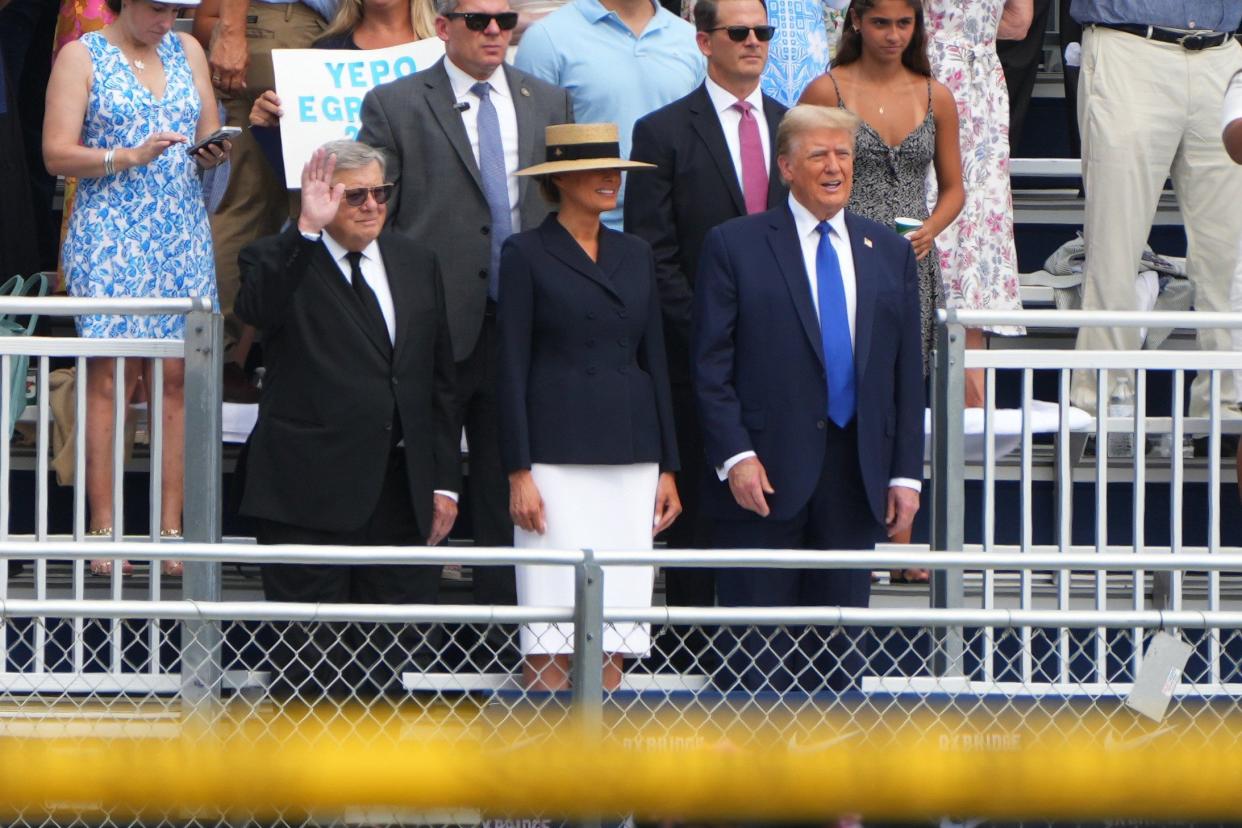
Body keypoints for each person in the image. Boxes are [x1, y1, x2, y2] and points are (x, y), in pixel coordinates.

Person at [357, 0, 573, 643]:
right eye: (477, 21)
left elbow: (562, 209)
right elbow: (376, 217)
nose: (493, 33)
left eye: (505, 21)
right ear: (443, 26)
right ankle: (408, 645)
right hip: (433, 319)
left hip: (525, 320)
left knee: (515, 477)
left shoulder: (548, 100)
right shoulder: (394, 102)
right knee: (424, 475)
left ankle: (512, 639)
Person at [693, 104, 923, 693]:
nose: (833, 167)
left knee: (839, 664)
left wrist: (906, 476)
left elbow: (905, 374)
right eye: (819, 154)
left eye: (843, 154)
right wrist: (736, 457)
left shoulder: (888, 250)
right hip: (762, 481)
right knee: (754, 663)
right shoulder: (734, 244)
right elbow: (711, 366)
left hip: (855, 478)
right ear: (787, 166)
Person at [235, 140, 459, 700]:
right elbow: (257, 312)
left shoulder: (415, 261)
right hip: (306, 494)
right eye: (352, 194)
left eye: (379, 193)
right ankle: (306, 783)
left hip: (400, 494)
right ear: (321, 196)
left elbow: (437, 382)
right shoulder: (279, 257)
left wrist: (443, 482)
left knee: (389, 659)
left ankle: (375, 779)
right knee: (308, 664)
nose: (370, 205)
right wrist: (307, 229)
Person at [43, 0, 230, 577]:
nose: (166, 20)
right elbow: (55, 154)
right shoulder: (83, 55)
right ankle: (103, 531)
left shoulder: (188, 48)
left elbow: (206, 135)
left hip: (179, 226)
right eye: (157, 8)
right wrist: (126, 155)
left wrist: (215, 150)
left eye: (177, 9)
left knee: (177, 376)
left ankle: (170, 530)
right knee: (112, 376)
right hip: (111, 229)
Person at [624, 0, 786, 663]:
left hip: (781, 364)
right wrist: (713, 332)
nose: (753, 43)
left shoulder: (791, 127)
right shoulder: (662, 131)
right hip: (695, 359)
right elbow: (651, 251)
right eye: (738, 32)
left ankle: (768, 661)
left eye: (763, 32)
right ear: (702, 40)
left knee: (773, 508)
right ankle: (689, 665)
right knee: (695, 523)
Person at [498, 123, 681, 692]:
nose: (611, 181)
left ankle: (602, 772)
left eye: (616, 171)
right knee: (549, 631)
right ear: (560, 181)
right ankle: (547, 773)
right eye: (597, 171)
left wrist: (668, 466)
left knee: (616, 629)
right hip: (554, 459)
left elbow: (656, 360)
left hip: (630, 456)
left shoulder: (635, 252)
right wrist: (519, 470)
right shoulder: (525, 252)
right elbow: (510, 364)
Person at [800, 0, 962, 581]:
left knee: (901, 386)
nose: (893, 35)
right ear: (855, 24)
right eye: (880, 23)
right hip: (837, 253)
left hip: (908, 261)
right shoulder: (826, 89)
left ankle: (900, 534)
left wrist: (929, 231)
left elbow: (953, 188)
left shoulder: (934, 94)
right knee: (842, 378)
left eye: (904, 23)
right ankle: (845, 524)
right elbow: (797, 171)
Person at [1067, 2, 1242, 428]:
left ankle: (1227, 406)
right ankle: (1104, 400)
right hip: (1128, 44)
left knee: (1231, 255)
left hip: (1225, 53)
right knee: (1114, 246)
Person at [191, 0, 338, 391]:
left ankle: (221, 355)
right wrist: (233, 31)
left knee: (253, 204)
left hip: (288, 31)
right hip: (290, 30)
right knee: (300, 204)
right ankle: (216, 354)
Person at [514, 0, 705, 228]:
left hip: (673, 228)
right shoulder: (546, 38)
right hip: (584, 236)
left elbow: (700, 137)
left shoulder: (690, 39)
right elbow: (532, 152)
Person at [924, 0, 1029, 407]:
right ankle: (971, 413)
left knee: (928, 208)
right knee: (974, 241)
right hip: (981, 76)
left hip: (928, 69)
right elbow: (1019, 22)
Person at [246, 0, 437, 174]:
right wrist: (270, 129)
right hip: (356, 204)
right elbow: (305, 171)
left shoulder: (445, 50)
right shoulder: (324, 53)